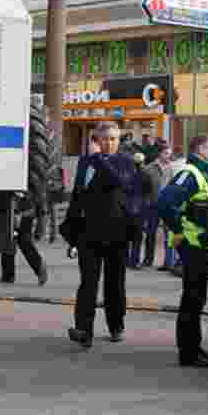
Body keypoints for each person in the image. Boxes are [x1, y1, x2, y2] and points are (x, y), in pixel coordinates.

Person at [66, 121, 137, 348]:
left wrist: (101, 161)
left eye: (113, 139)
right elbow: (78, 196)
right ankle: (83, 330)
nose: (109, 143)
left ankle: (116, 324)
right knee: (88, 283)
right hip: (89, 233)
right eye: (104, 139)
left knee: (114, 283)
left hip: (117, 232)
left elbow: (123, 184)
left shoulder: (126, 162)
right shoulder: (85, 162)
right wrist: (72, 233)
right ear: (97, 140)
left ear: (119, 140)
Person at [158, 134, 208, 367]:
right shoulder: (191, 174)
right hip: (193, 246)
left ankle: (193, 349)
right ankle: (189, 352)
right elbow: (165, 202)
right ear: (201, 150)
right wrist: (178, 231)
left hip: (201, 246)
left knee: (196, 300)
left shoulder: (205, 174)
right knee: (192, 300)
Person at [0, 191, 48, 286]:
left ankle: (10, 275)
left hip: (21, 207)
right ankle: (9, 275)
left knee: (15, 239)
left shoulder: (30, 178)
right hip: (23, 206)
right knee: (13, 239)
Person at [141, 142, 173, 268]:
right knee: (150, 233)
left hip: (167, 205)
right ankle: (148, 260)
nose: (168, 156)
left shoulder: (172, 168)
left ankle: (167, 262)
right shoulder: (149, 168)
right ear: (159, 154)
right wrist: (146, 201)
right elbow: (144, 188)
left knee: (168, 234)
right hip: (153, 204)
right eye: (166, 154)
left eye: (169, 154)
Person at [126, 153, 150, 269]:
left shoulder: (128, 174)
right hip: (140, 207)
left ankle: (125, 260)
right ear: (143, 162)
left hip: (128, 207)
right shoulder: (146, 175)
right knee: (137, 236)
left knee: (126, 236)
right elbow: (149, 191)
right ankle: (134, 261)